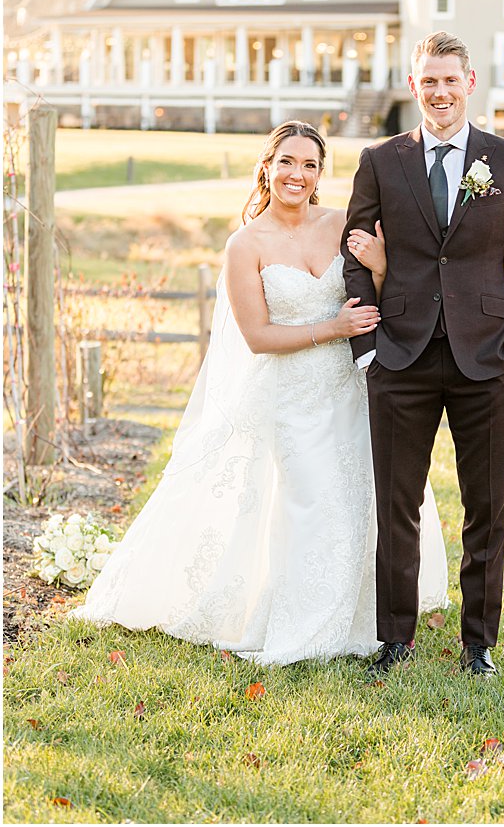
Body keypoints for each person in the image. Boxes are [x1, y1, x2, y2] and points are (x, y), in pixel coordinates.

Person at [76, 121, 448, 665]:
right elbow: (258, 337)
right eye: (288, 162)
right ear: (267, 167)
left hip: (352, 389)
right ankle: (305, 626)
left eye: (310, 165)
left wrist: (383, 265)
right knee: (313, 502)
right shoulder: (244, 245)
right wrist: (331, 330)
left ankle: (364, 621)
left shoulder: (344, 224)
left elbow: (390, 295)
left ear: (321, 174)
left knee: (363, 500)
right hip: (292, 394)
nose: (298, 174)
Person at [343, 31, 504, 678]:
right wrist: (365, 349)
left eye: (449, 79)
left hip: (487, 359)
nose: (439, 91)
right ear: (414, 86)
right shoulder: (381, 160)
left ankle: (478, 645)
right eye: (427, 80)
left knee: (486, 506)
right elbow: (353, 253)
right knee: (396, 502)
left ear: (470, 82)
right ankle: (395, 639)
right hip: (398, 358)